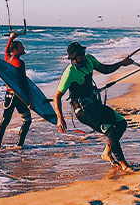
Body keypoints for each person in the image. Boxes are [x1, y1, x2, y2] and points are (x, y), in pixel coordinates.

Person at [54, 41, 134, 169]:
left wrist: (121, 63)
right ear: (73, 58)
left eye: (83, 52)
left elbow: (105, 69)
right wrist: (60, 118)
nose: (83, 56)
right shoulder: (70, 73)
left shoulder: (89, 59)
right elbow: (57, 96)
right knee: (111, 131)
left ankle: (107, 153)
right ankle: (124, 165)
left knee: (121, 123)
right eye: (80, 55)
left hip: (94, 104)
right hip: (83, 111)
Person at [0, 31, 32, 148]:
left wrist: (11, 38)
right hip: (17, 97)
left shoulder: (8, 59)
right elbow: (23, 82)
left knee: (5, 121)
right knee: (27, 120)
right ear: (16, 50)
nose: (23, 48)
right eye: (21, 47)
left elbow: (6, 51)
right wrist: (30, 99)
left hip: (8, 95)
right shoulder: (20, 63)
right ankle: (19, 145)